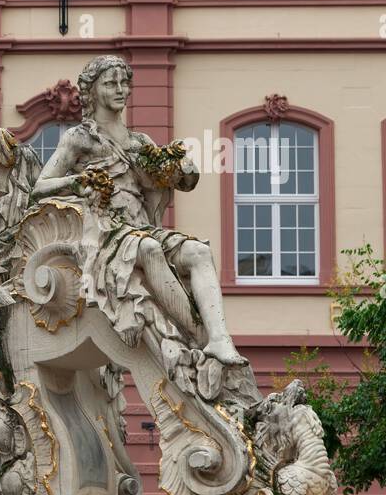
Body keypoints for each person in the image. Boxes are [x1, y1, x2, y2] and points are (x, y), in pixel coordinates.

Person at [29, 54, 244, 366]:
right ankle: (197, 335)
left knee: (198, 252)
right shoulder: (80, 138)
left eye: (124, 83)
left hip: (141, 227)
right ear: (92, 92)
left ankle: (219, 339)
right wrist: (78, 183)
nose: (121, 90)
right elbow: (40, 188)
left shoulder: (138, 142)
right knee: (149, 248)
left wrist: (182, 168)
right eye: (110, 83)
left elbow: (180, 181)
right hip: (107, 234)